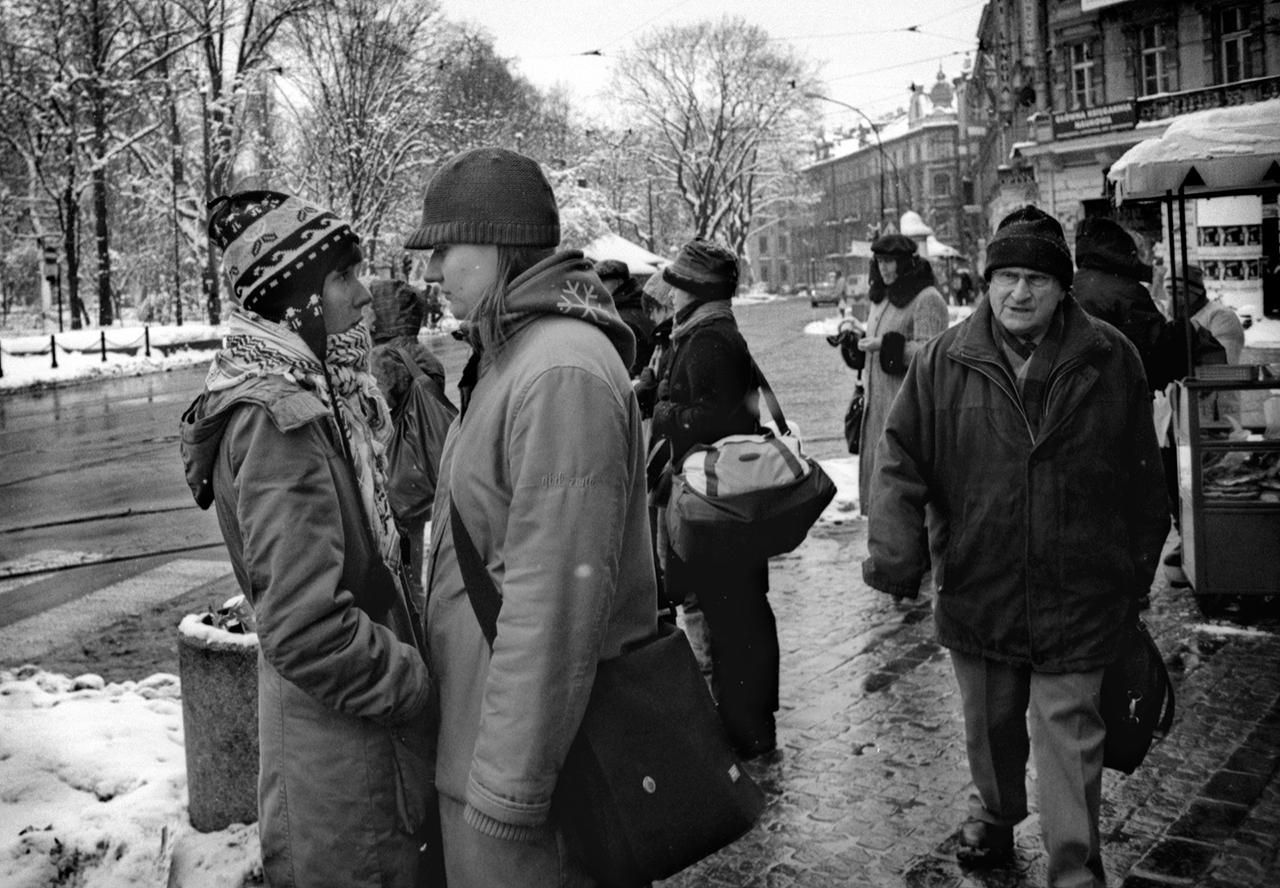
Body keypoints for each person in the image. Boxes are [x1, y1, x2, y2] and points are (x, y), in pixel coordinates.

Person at [862, 205, 1170, 888]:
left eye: (1036, 277)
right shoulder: (945, 361)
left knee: (1071, 732)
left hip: (1081, 589)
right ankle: (997, 815)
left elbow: (1144, 481)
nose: (1019, 293)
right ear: (988, 282)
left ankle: (1074, 865)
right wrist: (896, 555)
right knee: (992, 726)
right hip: (982, 581)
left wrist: (1132, 575)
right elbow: (900, 460)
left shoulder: (1110, 356)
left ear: (1062, 286)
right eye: (1006, 277)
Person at [405, 146, 656, 888]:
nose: (430, 273)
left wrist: (508, 791)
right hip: (492, 748)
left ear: (499, 244)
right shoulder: (518, 353)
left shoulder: (558, 369)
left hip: (524, 785)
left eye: (445, 248)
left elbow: (555, 603)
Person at [179, 191, 435, 888]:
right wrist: (418, 684)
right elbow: (307, 630)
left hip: (351, 750)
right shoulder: (279, 420)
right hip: (346, 769)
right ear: (297, 300)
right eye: (344, 278)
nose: (364, 298)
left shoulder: (318, 394)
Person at [643, 237, 780, 760]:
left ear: (698, 290)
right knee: (739, 613)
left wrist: (663, 412)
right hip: (725, 497)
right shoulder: (707, 332)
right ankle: (750, 721)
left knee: (733, 618)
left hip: (719, 501)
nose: (670, 294)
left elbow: (716, 420)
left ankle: (745, 727)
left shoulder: (709, 340)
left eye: (678, 285)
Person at [368, 277, 453, 613]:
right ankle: (418, 606)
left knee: (395, 555)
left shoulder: (381, 358)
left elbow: (376, 416)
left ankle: (410, 617)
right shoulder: (424, 355)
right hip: (421, 468)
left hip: (394, 471)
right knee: (413, 547)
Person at [856, 233, 949, 517]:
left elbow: (933, 355)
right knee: (882, 505)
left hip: (907, 420)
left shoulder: (926, 299)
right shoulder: (881, 298)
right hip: (877, 416)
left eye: (891, 262)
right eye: (880, 261)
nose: (884, 268)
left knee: (905, 510)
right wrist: (856, 346)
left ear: (906, 263)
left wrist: (886, 346)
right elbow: (877, 347)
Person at [595, 258, 656, 377]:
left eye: (603, 282)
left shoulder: (621, 316)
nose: (598, 288)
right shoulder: (639, 302)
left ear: (618, 282)